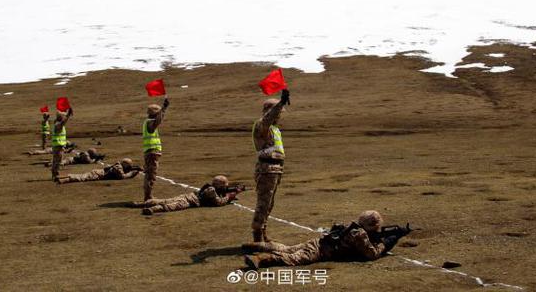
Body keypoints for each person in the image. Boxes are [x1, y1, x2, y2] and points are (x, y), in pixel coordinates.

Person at [243, 210, 410, 268]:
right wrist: (387, 242)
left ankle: (257, 245)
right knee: (293, 258)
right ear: (372, 226)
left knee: (288, 248)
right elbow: (371, 255)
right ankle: (260, 258)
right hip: (321, 250)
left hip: (318, 242)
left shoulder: (352, 226)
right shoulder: (360, 234)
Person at [251, 88, 290, 242]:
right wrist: (280, 103)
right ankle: (257, 236)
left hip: (275, 169)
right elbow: (267, 118)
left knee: (269, 203)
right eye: (279, 112)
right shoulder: (262, 125)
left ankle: (263, 232)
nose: (280, 115)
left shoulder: (275, 129)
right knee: (263, 203)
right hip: (266, 169)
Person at [131, 175, 244, 215]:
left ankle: (141, 204)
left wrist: (232, 192)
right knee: (172, 206)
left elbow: (222, 192)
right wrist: (229, 197)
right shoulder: (211, 191)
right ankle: (152, 210)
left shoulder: (210, 187)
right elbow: (218, 203)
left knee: (164, 200)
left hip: (187, 196)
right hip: (190, 201)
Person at [142, 98, 169, 201]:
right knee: (150, 175)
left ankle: (148, 196)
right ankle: (148, 197)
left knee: (149, 174)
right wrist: (164, 109)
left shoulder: (148, 122)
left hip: (151, 152)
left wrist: (162, 110)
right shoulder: (150, 123)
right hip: (151, 151)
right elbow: (155, 124)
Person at [57, 158, 141, 184]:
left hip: (98, 172)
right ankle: (63, 180)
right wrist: (131, 174)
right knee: (81, 178)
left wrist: (134, 169)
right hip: (98, 174)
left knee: (81, 175)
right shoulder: (118, 168)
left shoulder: (118, 165)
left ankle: (61, 177)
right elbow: (121, 176)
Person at [51, 108, 73, 181]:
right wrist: (68, 115)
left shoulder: (56, 123)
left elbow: (63, 120)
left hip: (57, 145)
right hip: (58, 146)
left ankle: (54, 174)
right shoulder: (58, 125)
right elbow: (63, 121)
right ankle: (56, 175)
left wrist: (67, 113)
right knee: (58, 161)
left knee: (55, 161)